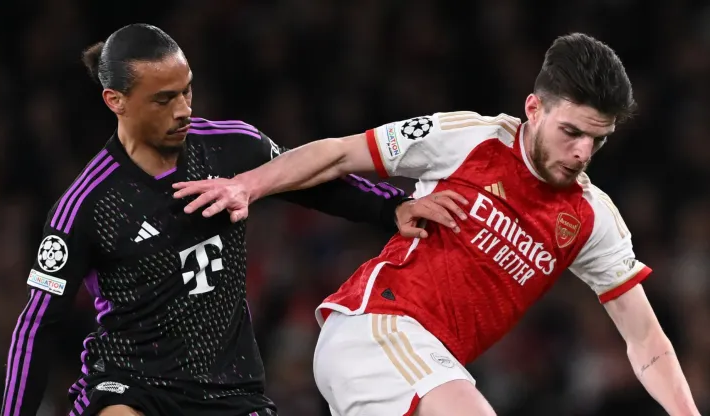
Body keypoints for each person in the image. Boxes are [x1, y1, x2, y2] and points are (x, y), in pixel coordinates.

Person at [173, 33, 702, 416]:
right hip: (377, 327)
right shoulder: (470, 139)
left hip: (421, 368)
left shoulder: (591, 219)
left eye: (598, 139)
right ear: (534, 108)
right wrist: (247, 185)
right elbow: (338, 155)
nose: (583, 151)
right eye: (571, 131)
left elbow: (647, 343)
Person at [0, 23, 469, 416]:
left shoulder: (230, 145)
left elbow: (309, 179)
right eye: (163, 100)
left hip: (230, 387)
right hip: (131, 384)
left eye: (187, 91)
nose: (183, 110)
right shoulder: (86, 204)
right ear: (115, 101)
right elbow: (36, 325)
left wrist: (391, 207)